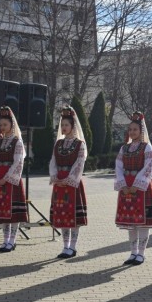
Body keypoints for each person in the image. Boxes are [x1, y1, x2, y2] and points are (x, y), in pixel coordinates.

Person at [114, 111, 152, 266]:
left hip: (141, 188)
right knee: (131, 222)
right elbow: (118, 166)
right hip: (126, 186)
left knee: (143, 223)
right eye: (130, 129)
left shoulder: (147, 148)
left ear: (141, 131)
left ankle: (141, 253)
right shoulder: (124, 148)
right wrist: (123, 184)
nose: (132, 132)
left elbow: (148, 167)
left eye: (135, 129)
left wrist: (136, 185)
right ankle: (133, 252)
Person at [49, 106, 88, 259]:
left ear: (73, 126)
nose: (64, 127)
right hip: (59, 182)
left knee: (74, 217)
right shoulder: (58, 144)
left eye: (66, 125)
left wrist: (69, 179)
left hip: (73, 183)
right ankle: (65, 246)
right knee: (63, 216)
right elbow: (53, 162)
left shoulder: (80, 144)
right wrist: (55, 176)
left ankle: (73, 246)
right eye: (62, 125)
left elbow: (80, 163)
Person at [0, 106, 29, 253]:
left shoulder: (17, 142)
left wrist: (6, 178)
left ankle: (12, 241)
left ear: (12, 125)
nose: (2, 127)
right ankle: (5, 241)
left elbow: (18, 162)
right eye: (1, 125)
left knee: (13, 213)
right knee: (3, 213)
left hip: (11, 180)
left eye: (5, 124)